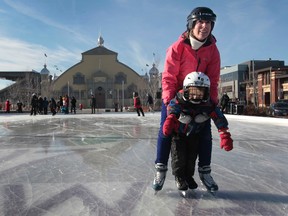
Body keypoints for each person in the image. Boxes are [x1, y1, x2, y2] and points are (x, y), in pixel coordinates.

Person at [153, 7, 221, 192]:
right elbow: (168, 77)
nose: (204, 26)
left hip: (200, 96)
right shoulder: (177, 48)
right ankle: (160, 168)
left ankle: (205, 171)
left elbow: (213, 79)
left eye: (208, 23)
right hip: (176, 96)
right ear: (192, 24)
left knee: (205, 132)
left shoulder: (213, 50)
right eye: (200, 22)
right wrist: (168, 103)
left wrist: (212, 103)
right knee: (166, 130)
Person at [163, 72, 233, 192]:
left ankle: (189, 177)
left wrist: (224, 133)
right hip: (179, 135)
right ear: (185, 90)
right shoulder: (180, 99)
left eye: (200, 93)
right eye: (192, 92)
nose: (195, 96)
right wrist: (170, 118)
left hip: (194, 135)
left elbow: (218, 115)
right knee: (179, 158)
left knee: (191, 158)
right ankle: (179, 177)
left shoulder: (207, 104)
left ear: (206, 92)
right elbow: (172, 107)